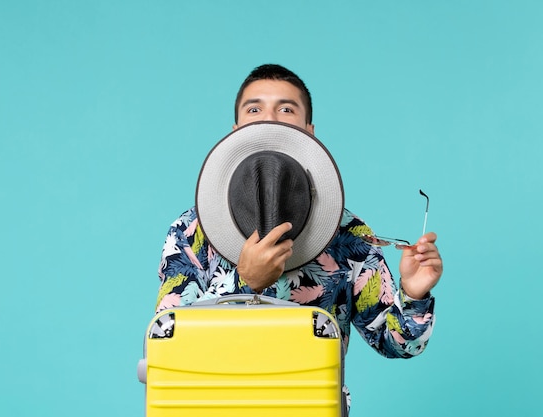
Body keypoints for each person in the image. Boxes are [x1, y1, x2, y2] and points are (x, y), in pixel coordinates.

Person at [155, 64, 443, 411]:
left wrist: (413, 293)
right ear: (236, 130)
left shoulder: (349, 234)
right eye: (254, 108)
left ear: (309, 131)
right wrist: (247, 284)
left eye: (286, 108)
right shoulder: (190, 230)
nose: (270, 118)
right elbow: (167, 343)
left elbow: (395, 343)